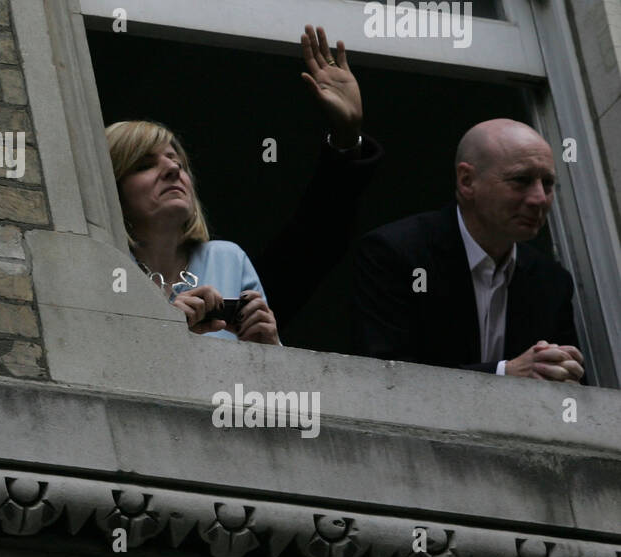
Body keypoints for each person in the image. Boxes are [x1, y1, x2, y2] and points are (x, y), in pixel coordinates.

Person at [107, 25, 381, 343]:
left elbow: (315, 242)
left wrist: (268, 348)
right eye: (143, 165)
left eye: (176, 160)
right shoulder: (104, 269)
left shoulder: (227, 260)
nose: (171, 168)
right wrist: (168, 332)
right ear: (112, 186)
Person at [353, 119, 584, 382]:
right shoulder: (396, 253)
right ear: (467, 181)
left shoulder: (552, 281)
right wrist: (504, 373)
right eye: (521, 180)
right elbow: (384, 375)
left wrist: (565, 374)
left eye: (548, 183)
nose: (540, 198)